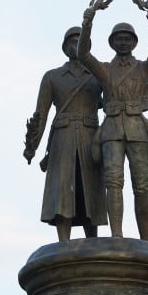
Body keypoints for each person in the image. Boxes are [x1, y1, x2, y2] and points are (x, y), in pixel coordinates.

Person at [77, 7, 148, 241]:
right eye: (119, 39)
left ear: (135, 42)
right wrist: (88, 23)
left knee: (142, 187)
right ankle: (117, 234)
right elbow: (84, 54)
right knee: (113, 183)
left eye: (128, 39)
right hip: (112, 130)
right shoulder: (105, 70)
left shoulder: (143, 68)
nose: (124, 42)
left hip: (137, 130)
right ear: (112, 43)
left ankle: (145, 240)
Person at [23, 26, 107, 241]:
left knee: (91, 189)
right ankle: (64, 244)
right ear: (64, 48)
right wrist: (32, 147)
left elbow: (116, 99)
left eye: (80, 40)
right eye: (71, 41)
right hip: (62, 137)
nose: (76, 45)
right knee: (62, 189)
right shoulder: (52, 77)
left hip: (91, 136)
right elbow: (40, 115)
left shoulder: (99, 74)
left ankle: (92, 242)